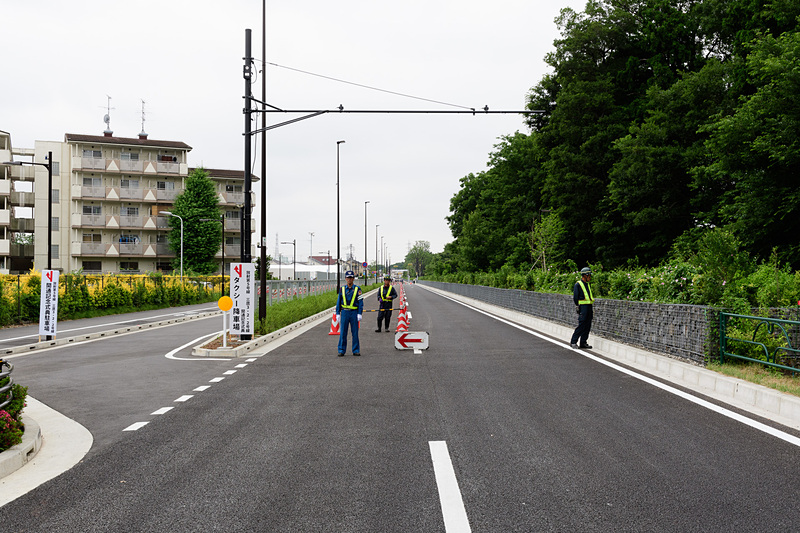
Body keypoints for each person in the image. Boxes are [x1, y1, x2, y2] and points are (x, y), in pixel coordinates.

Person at [336, 270, 363, 356]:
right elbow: (338, 302)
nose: (349, 280)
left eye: (351, 278)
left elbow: (360, 302)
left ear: (353, 279)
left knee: (355, 332)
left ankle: (355, 350)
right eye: (348, 278)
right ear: (345, 279)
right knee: (343, 332)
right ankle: (341, 350)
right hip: (344, 313)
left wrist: (359, 313)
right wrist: (337, 313)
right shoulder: (342, 289)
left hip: (354, 313)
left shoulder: (358, 289)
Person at [570, 267, 594, 349]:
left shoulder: (587, 284)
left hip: (589, 307)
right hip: (583, 307)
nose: (590, 277)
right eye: (589, 275)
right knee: (582, 325)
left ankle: (583, 342)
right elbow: (575, 297)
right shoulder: (578, 284)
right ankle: (573, 342)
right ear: (585, 275)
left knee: (588, 325)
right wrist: (578, 306)